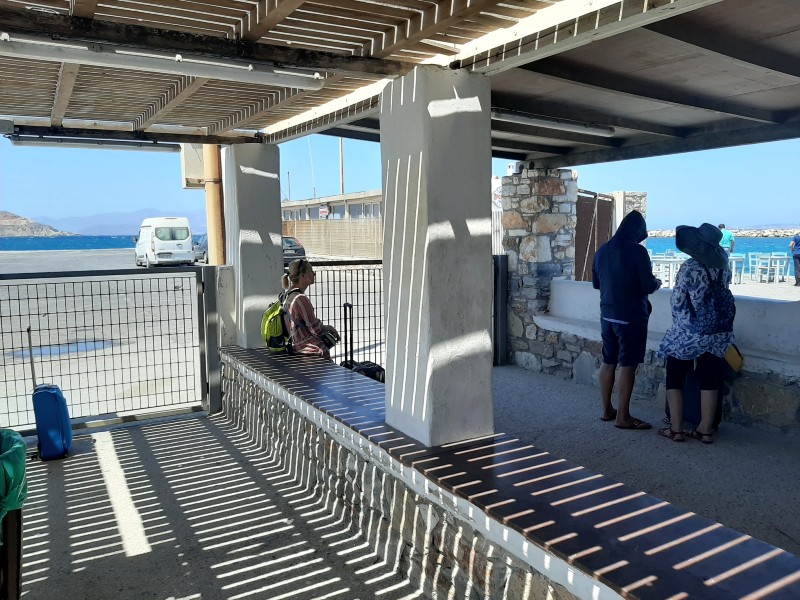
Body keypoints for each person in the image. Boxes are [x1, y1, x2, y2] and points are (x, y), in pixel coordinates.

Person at [658, 224, 735, 444]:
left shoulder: (690, 267)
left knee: (674, 375)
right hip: (718, 331)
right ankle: (705, 430)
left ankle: (676, 429)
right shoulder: (723, 267)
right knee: (710, 377)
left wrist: (681, 327)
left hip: (690, 331)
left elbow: (678, 301)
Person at [592, 210, 662, 430]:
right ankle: (623, 417)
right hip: (631, 317)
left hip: (607, 315)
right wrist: (657, 282)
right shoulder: (638, 252)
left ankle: (607, 410)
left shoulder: (602, 250)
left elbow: (596, 284)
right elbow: (647, 285)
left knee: (608, 361)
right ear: (638, 231)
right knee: (628, 365)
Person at [281, 259, 339, 358]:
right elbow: (315, 329)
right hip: (309, 349)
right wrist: (330, 328)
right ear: (302, 275)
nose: (314, 274)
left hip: (295, 346)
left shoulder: (287, 295)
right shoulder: (300, 299)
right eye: (311, 271)